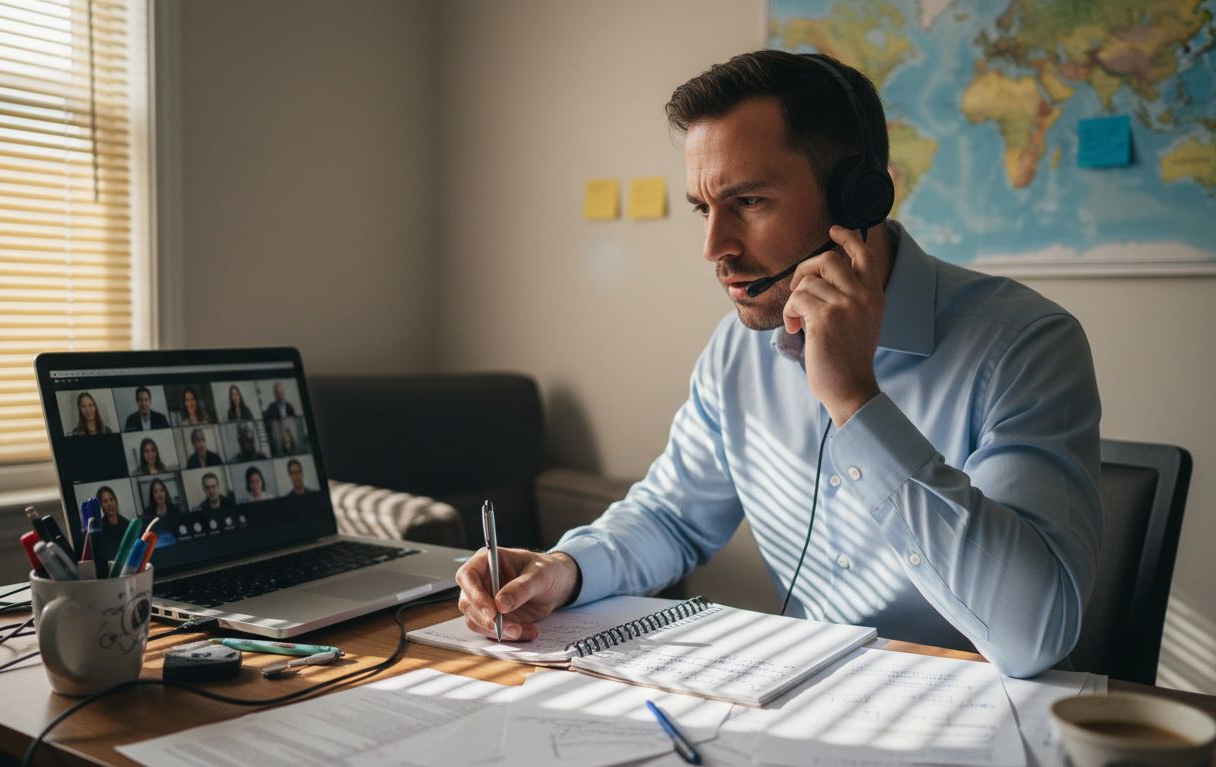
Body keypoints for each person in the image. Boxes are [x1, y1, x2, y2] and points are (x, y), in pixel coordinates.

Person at [454, 51, 1101, 679]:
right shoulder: (738, 349)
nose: (715, 248)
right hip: (807, 702)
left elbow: (1033, 635)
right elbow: (673, 516)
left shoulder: (1024, 345)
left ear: (858, 199)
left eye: (749, 202)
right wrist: (565, 569)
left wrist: (856, 401)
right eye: (705, 209)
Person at [93, 485, 128, 565]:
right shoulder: (99, 529)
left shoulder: (127, 524)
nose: (109, 504)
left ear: (115, 501)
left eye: (111, 500)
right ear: (100, 505)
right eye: (105, 501)